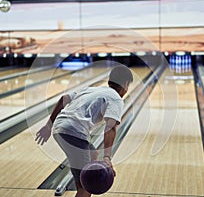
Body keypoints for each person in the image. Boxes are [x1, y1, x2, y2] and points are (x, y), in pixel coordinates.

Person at [35, 65, 133, 197]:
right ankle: (81, 183)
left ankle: (79, 172)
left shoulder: (91, 90)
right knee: (88, 185)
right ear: (126, 84)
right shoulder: (116, 98)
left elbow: (64, 99)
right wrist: (107, 158)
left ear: (110, 81)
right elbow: (111, 127)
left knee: (93, 153)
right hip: (74, 132)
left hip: (60, 127)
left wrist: (48, 126)